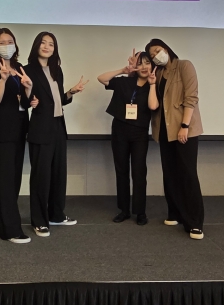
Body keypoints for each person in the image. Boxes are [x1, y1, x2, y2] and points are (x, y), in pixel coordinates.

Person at [24, 32, 88, 237]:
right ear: (36, 46)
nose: (47, 46)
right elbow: (25, 100)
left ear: (55, 49)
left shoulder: (56, 70)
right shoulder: (27, 70)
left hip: (59, 126)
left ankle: (56, 215)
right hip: (40, 128)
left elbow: (58, 99)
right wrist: (30, 99)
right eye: (43, 43)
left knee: (59, 174)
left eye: (51, 44)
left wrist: (71, 92)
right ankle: (39, 220)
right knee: (41, 177)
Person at [145, 38, 205, 240]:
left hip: (184, 129)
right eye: (152, 55)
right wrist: (151, 83)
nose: (156, 56)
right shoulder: (157, 73)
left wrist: (185, 126)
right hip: (164, 130)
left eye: (158, 50)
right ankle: (175, 212)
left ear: (166, 48)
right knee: (170, 173)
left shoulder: (184, 66)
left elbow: (191, 97)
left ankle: (195, 222)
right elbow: (154, 105)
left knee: (187, 174)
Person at [0, 28, 37, 244]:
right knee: (7, 178)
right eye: (2, 42)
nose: (7, 45)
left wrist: (29, 90)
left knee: (14, 178)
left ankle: (1, 220)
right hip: (2, 130)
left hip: (20, 128)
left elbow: (24, 103)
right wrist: (3, 80)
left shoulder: (20, 68)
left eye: (10, 41)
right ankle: (11, 230)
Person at [97, 51, 159, 226]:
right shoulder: (125, 81)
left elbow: (153, 105)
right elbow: (101, 78)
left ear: (152, 66)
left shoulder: (154, 84)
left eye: (147, 63)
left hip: (139, 133)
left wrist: (152, 84)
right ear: (135, 66)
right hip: (120, 130)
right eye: (140, 63)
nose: (144, 67)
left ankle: (140, 211)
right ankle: (124, 210)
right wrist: (123, 70)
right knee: (121, 170)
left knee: (139, 172)